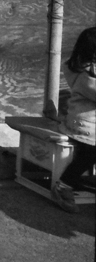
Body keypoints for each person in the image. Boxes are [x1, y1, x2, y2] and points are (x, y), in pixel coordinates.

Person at [51, 27, 95, 213]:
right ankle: (64, 184)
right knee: (91, 152)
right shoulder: (87, 76)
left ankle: (77, 179)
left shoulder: (77, 66)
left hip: (81, 121)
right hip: (86, 126)